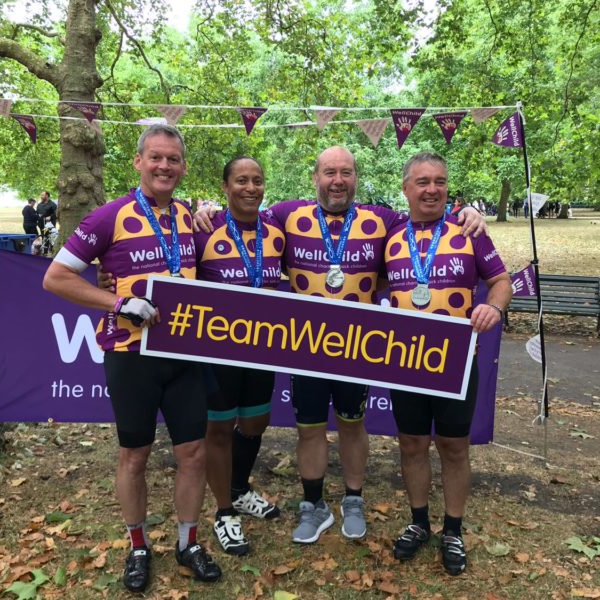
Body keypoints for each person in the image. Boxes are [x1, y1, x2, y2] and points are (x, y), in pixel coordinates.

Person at [195, 146, 487, 546]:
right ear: (314, 177)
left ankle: (353, 499)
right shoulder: (285, 215)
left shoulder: (381, 220)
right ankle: (312, 505)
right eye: (329, 172)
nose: (338, 180)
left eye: (346, 172)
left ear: (355, 178)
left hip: (357, 347)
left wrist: (465, 213)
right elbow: (242, 212)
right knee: (309, 429)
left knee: (353, 425)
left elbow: (427, 216)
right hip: (306, 345)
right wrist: (207, 208)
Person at [43, 124, 221, 593]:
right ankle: (138, 546)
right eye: (156, 157)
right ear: (138, 161)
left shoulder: (188, 215)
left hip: (184, 354)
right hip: (130, 355)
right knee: (135, 455)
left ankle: (188, 542)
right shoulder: (109, 216)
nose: (165, 166)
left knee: (193, 452)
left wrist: (211, 213)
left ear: (183, 167)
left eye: (173, 159)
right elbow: (56, 278)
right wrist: (117, 304)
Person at [385, 152, 511, 576]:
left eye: (439, 181)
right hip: (404, 360)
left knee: (454, 448)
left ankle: (452, 529)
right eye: (422, 182)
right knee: (412, 444)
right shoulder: (389, 234)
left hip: (455, 360)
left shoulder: (469, 230)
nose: (432, 189)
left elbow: (500, 281)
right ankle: (419, 522)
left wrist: (494, 308)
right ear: (406, 189)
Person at [195, 157, 284, 556]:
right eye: (241, 181)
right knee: (218, 429)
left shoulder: (278, 233)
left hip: (262, 349)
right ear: (226, 186)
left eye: (257, 181)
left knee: (255, 423)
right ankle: (224, 511)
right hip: (217, 352)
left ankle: (239, 486)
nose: (251, 188)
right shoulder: (203, 228)